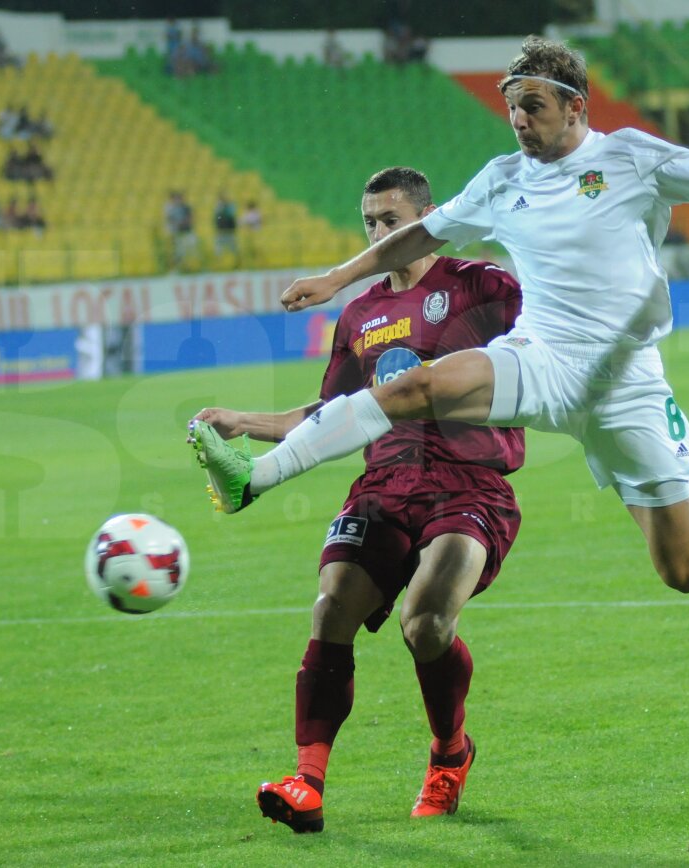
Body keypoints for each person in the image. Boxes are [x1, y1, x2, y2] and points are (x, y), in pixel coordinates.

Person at [191, 36, 689, 597]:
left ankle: (683, 481)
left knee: (685, 572)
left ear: (575, 105)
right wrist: (337, 278)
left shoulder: (628, 155)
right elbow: (419, 236)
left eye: (533, 107)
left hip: (625, 383)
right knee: (413, 385)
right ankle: (255, 477)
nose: (519, 120)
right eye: (511, 109)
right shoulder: (502, 181)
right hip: (541, 356)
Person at [190, 167, 524, 832]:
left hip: (470, 481)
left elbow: (550, 351)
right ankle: (306, 781)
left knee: (426, 623)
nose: (377, 233)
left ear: (429, 218)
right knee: (332, 604)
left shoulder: (484, 287)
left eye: (390, 222)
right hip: (384, 484)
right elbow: (333, 411)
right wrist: (246, 422)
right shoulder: (361, 314)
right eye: (369, 222)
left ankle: (449, 754)